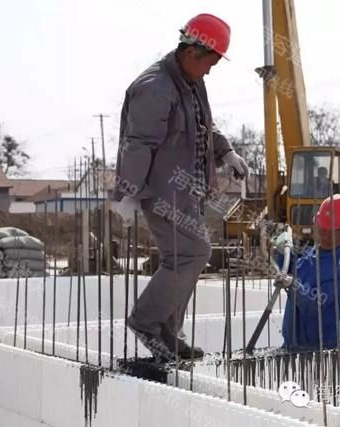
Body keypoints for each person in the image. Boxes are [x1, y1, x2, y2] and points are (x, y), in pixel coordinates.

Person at [114, 13, 249, 361]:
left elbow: (203, 125)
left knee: (182, 258)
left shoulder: (189, 82)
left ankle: (167, 332)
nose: (210, 71)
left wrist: (226, 151)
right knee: (193, 253)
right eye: (210, 64)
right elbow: (138, 143)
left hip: (187, 191)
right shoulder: (155, 87)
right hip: (161, 192)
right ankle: (147, 322)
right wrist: (129, 192)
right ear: (192, 52)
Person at [273, 195, 340, 350]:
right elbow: (292, 270)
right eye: (321, 226)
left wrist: (293, 284)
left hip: (319, 352)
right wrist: (283, 251)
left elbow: (315, 305)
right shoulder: (312, 255)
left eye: (329, 228)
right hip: (292, 345)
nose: (323, 231)